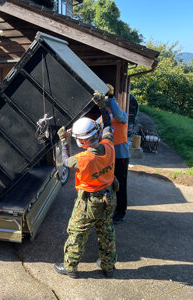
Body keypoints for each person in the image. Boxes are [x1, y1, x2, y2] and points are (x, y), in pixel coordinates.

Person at [54, 91, 118, 279]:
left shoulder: (83, 159)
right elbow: (107, 123)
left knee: (78, 232)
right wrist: (101, 106)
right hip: (109, 197)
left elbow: (66, 161)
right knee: (106, 232)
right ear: (96, 133)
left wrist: (64, 142)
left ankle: (71, 268)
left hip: (89, 202)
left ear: (81, 141)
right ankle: (108, 267)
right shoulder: (109, 144)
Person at [103, 84, 130, 224]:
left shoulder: (122, 117)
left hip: (121, 157)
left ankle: (120, 212)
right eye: (106, 107)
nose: (108, 109)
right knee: (107, 183)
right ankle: (108, 208)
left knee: (121, 184)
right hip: (108, 156)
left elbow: (118, 113)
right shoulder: (104, 120)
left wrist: (111, 97)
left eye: (109, 107)